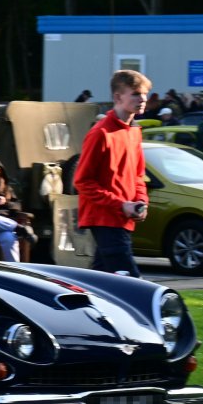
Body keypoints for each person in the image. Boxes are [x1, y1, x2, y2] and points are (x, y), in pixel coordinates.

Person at [75, 69, 150, 278]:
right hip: (104, 218)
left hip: (122, 218)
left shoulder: (134, 131)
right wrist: (121, 204)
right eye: (136, 94)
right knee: (132, 283)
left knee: (100, 280)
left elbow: (138, 175)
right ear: (118, 97)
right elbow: (82, 181)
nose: (143, 99)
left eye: (144, 94)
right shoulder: (100, 133)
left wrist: (141, 201)